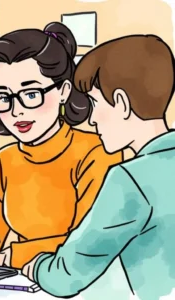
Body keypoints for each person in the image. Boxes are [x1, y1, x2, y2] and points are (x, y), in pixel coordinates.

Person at [0, 22, 122, 270]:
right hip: (21, 280)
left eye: (31, 94)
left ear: (64, 91)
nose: (16, 110)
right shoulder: (6, 159)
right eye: (3, 97)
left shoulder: (96, 153)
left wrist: (13, 256)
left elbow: (87, 243)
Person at [22, 34, 175, 300]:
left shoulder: (130, 179)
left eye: (94, 104)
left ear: (122, 104)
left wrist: (36, 268)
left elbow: (65, 277)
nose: (91, 119)